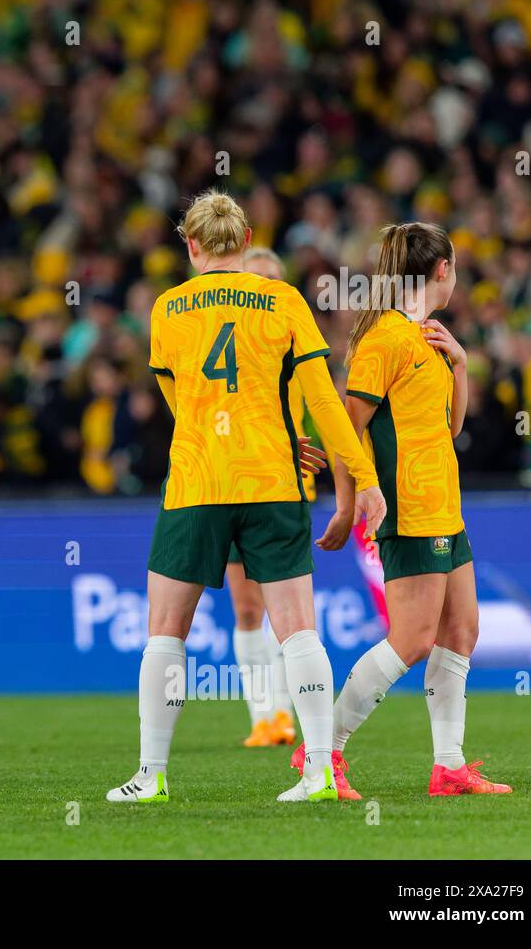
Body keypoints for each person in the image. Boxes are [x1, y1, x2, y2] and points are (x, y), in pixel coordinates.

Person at [107, 189, 387, 805]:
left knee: (165, 633)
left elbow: (179, 401)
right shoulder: (283, 299)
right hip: (272, 480)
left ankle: (150, 774)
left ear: (190, 244)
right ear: (245, 238)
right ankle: (317, 771)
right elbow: (321, 401)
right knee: (299, 630)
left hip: (197, 481)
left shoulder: (167, 309)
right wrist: (363, 479)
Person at [306, 222, 512, 797]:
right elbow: (348, 429)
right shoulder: (385, 341)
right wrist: (352, 501)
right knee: (413, 639)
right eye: (455, 268)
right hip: (409, 509)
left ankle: (448, 767)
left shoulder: (429, 337)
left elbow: (450, 429)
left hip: (447, 507)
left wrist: (462, 365)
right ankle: (322, 751)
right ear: (441, 270)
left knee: (461, 632)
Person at [227, 246, 303, 748]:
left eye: (273, 281)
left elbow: (324, 415)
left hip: (283, 486)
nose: (265, 289)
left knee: (286, 612)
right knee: (248, 610)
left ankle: (287, 714)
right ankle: (264, 716)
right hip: (230, 483)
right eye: (256, 281)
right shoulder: (226, 352)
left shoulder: (297, 344)